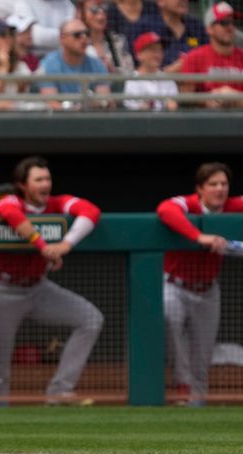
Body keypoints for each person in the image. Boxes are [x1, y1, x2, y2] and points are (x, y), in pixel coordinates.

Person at [0, 156, 103, 407]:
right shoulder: (12, 201)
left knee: (90, 319)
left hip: (38, 287)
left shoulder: (57, 204)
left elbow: (91, 211)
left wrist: (65, 245)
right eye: (38, 180)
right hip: (1, 289)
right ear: (23, 185)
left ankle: (59, 391)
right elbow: (8, 212)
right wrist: (43, 246)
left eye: (47, 178)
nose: (45, 184)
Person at [156, 162, 243, 407]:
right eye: (213, 184)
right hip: (175, 285)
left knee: (202, 353)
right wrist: (199, 236)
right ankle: (182, 386)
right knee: (170, 320)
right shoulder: (188, 204)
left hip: (207, 289)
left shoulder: (233, 206)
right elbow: (165, 209)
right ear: (200, 189)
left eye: (224, 184)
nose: (219, 189)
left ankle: (196, 405)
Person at [37, 19, 112, 111]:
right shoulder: (48, 64)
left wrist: (97, 103)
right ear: (62, 38)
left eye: (86, 34)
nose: (84, 38)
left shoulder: (97, 64)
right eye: (77, 35)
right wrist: (73, 110)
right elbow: (51, 103)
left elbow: (103, 100)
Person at [179, 2, 243, 108]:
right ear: (210, 29)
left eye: (233, 22)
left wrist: (232, 96)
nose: (230, 27)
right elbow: (185, 97)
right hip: (207, 120)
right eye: (224, 23)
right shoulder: (195, 57)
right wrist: (204, 100)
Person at [123, 31, 178, 110]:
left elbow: (173, 107)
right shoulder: (133, 81)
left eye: (160, 50)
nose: (158, 54)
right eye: (153, 50)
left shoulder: (167, 79)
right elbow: (136, 112)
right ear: (139, 55)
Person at [77, 0, 134, 74]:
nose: (100, 16)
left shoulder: (118, 41)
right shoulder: (76, 40)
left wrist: (112, 70)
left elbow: (129, 73)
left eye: (104, 9)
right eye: (94, 10)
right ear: (82, 13)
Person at [151, 0, 208, 72]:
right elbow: (142, 69)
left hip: (195, 80)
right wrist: (168, 72)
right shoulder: (149, 28)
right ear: (161, 1)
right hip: (159, 81)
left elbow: (209, 58)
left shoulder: (196, 26)